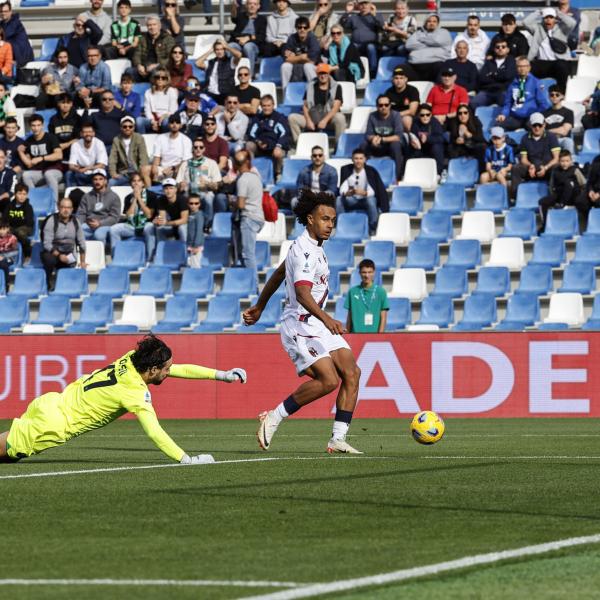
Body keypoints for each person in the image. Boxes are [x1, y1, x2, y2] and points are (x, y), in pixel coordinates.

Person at [0, 334, 247, 463]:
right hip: (54, 424)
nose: (170, 372)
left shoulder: (131, 358)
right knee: (8, 450)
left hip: (51, 402)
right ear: (152, 370)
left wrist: (222, 375)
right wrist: (186, 459)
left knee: (10, 457)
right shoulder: (136, 393)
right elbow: (154, 432)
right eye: (166, 369)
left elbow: (179, 368)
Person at [243, 189, 362, 455]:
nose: (330, 224)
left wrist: (261, 306)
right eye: (324, 219)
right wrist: (328, 318)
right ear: (310, 219)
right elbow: (302, 293)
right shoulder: (305, 252)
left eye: (332, 219)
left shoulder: (311, 248)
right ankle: (274, 416)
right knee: (329, 380)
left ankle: (338, 438)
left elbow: (278, 273)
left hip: (315, 324)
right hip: (299, 324)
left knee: (352, 373)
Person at [288, 63, 344, 144]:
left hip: (328, 120)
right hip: (313, 117)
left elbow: (336, 107)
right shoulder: (310, 86)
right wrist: (308, 121)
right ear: (317, 74)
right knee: (292, 117)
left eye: (325, 73)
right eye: (320, 73)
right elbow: (305, 106)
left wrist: (324, 121)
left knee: (340, 118)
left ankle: (339, 146)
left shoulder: (336, 86)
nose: (323, 76)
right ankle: (300, 145)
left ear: (328, 74)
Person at [523, 6, 576, 90]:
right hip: (542, 62)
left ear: (555, 19)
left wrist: (559, 14)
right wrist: (538, 12)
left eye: (551, 17)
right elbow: (525, 22)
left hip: (558, 61)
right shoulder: (538, 28)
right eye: (546, 17)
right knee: (527, 68)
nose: (548, 20)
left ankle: (561, 92)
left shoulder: (562, 28)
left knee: (562, 66)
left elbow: (572, 23)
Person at [176, 137, 223, 230]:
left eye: (201, 147)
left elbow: (217, 184)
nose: (198, 149)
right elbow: (178, 183)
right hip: (188, 191)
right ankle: (186, 223)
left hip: (205, 191)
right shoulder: (185, 164)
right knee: (181, 197)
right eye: (195, 147)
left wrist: (207, 184)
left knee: (209, 197)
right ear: (192, 149)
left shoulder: (211, 163)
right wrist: (181, 185)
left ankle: (206, 225)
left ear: (204, 149)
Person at [510, 112, 560, 199]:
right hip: (532, 168)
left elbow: (556, 158)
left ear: (544, 125)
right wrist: (530, 166)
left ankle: (555, 197)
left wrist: (546, 167)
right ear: (530, 125)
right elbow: (524, 159)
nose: (537, 128)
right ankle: (516, 197)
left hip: (547, 167)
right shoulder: (525, 138)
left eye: (539, 125)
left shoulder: (551, 137)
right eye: (534, 125)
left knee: (556, 167)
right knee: (516, 169)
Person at [337, 148, 387, 235]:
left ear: (365, 159)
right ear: (352, 159)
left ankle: (372, 227)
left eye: (361, 158)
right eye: (356, 158)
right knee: (339, 199)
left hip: (365, 199)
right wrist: (347, 193)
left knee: (371, 200)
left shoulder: (370, 171)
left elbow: (373, 190)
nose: (358, 161)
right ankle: (341, 224)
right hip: (351, 199)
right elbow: (342, 188)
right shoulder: (346, 170)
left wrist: (364, 193)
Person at [230, 149, 264, 276]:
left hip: (249, 217)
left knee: (247, 254)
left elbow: (241, 204)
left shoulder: (242, 179)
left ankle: (253, 285)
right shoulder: (256, 177)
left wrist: (232, 201)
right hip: (258, 216)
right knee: (246, 253)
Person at [41, 197, 87, 289]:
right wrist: (59, 255)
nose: (66, 210)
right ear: (58, 207)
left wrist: (82, 262)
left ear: (72, 209)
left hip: (68, 253)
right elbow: (47, 244)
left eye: (68, 208)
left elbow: (82, 243)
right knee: (49, 260)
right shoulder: (51, 220)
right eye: (63, 207)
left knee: (71, 264)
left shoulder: (75, 222)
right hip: (53, 253)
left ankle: (63, 287)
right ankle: (47, 284)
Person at [109, 171, 158, 257]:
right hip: (132, 226)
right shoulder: (128, 197)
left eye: (139, 181)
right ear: (131, 184)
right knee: (114, 229)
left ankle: (150, 258)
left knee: (149, 228)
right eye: (134, 181)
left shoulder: (151, 195)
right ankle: (116, 257)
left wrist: (139, 198)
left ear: (143, 183)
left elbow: (149, 215)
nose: (136, 183)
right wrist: (134, 199)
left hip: (146, 224)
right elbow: (128, 216)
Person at [496, 57, 550, 131]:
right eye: (519, 66)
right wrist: (503, 114)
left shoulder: (537, 83)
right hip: (515, 117)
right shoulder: (512, 83)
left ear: (529, 68)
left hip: (530, 117)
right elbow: (508, 103)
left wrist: (536, 115)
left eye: (524, 66)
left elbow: (544, 104)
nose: (522, 69)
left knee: (535, 128)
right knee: (497, 126)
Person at [19, 114, 63, 203]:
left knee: (49, 174)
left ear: (42, 125)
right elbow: (29, 163)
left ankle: (53, 205)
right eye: (33, 125)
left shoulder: (51, 137)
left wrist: (42, 158)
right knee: (25, 175)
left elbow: (59, 155)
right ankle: (34, 202)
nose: (36, 128)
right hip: (39, 173)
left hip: (55, 171)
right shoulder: (29, 141)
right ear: (30, 126)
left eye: (38, 125)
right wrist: (20, 151)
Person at [539, 149, 586, 230]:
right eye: (562, 161)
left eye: (567, 161)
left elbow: (584, 184)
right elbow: (551, 185)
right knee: (542, 202)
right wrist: (554, 195)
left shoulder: (575, 170)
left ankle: (562, 204)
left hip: (573, 196)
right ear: (559, 161)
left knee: (569, 182)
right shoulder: (555, 171)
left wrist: (580, 196)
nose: (564, 163)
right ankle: (545, 225)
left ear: (571, 161)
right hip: (560, 195)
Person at [246, 94, 291, 177]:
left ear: (273, 105)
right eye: (264, 106)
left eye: (268, 105)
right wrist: (258, 142)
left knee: (278, 152)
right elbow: (251, 133)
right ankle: (251, 170)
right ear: (261, 106)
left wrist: (278, 146)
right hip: (261, 146)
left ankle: (278, 173)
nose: (266, 108)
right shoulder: (257, 118)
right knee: (249, 145)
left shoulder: (279, 118)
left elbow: (285, 134)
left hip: (276, 146)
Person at [363, 93, 404, 182]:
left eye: (386, 105)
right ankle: (363, 175)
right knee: (363, 145)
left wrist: (382, 139)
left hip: (389, 145)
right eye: (380, 105)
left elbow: (398, 136)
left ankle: (397, 177)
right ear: (377, 106)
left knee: (396, 145)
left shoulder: (396, 115)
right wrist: (373, 139)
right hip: (377, 145)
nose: (383, 107)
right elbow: (368, 134)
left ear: (390, 106)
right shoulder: (372, 116)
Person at [76, 168, 121, 244]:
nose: (97, 182)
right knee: (78, 232)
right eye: (95, 179)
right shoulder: (86, 196)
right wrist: (79, 225)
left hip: (105, 225)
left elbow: (114, 217)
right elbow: (81, 213)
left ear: (105, 181)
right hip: (88, 224)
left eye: (100, 179)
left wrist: (100, 223)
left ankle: (100, 253)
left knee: (98, 235)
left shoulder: (114, 197)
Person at [339, 0, 383, 78]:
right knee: (351, 46)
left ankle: (373, 73)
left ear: (371, 5)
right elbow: (342, 25)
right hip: (357, 44)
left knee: (370, 47)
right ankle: (350, 72)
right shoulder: (354, 17)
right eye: (361, 4)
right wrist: (347, 12)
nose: (364, 6)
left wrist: (374, 14)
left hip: (371, 44)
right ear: (358, 6)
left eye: (366, 3)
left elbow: (382, 27)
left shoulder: (376, 15)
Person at [470, 37, 516, 109]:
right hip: (488, 91)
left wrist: (492, 74)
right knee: (474, 103)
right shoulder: (489, 62)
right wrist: (499, 75)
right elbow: (482, 78)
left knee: (506, 102)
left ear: (508, 49)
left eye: (503, 47)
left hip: (503, 91)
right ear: (494, 49)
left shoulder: (511, 61)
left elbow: (508, 76)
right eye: (497, 47)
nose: (500, 49)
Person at [405, 13, 452, 82]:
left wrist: (422, 40)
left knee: (441, 67)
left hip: (435, 65)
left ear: (438, 23)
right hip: (415, 65)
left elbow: (437, 41)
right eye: (429, 21)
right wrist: (429, 44)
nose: (431, 23)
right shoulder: (418, 33)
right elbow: (408, 45)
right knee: (401, 68)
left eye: (434, 21)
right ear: (425, 23)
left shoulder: (444, 32)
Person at [345, 258, 389, 333]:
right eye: (364, 272)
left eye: (370, 272)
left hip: (374, 336)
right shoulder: (352, 292)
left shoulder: (381, 292)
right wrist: (347, 334)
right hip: (355, 335)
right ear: (359, 273)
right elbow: (349, 316)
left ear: (374, 272)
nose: (367, 275)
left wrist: (380, 336)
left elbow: (383, 317)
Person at [195, 39, 241, 105]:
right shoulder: (210, 62)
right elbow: (197, 63)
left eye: (221, 49)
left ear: (224, 50)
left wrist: (227, 46)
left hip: (225, 94)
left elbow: (239, 55)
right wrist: (210, 51)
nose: (219, 52)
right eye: (217, 49)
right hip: (211, 94)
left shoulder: (230, 61)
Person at [280, 16, 321, 91]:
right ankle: (285, 94)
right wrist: (302, 57)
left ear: (308, 29)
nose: (302, 30)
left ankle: (314, 93)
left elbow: (312, 61)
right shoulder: (292, 38)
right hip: (296, 67)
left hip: (313, 68)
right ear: (296, 28)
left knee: (307, 66)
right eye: (299, 27)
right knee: (285, 66)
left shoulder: (312, 39)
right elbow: (287, 59)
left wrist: (295, 57)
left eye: (305, 27)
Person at [109, 115, 151, 187]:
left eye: (130, 126)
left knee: (144, 177)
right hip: (124, 173)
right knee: (110, 182)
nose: (127, 128)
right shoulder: (116, 140)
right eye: (125, 126)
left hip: (137, 171)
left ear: (134, 128)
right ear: (121, 128)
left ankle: (149, 194)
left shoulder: (139, 138)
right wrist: (113, 172)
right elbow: (112, 159)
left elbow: (143, 157)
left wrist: (140, 174)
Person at [228, 0, 267, 76]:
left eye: (255, 4)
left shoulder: (262, 19)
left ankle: (249, 75)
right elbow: (234, 17)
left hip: (253, 45)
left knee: (248, 46)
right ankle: (229, 74)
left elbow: (262, 37)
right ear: (246, 5)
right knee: (230, 46)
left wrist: (248, 38)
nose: (252, 6)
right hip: (238, 42)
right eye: (250, 4)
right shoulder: (241, 16)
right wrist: (234, 7)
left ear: (258, 6)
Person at [132, 15, 175, 82]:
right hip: (144, 67)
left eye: (154, 24)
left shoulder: (168, 39)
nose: (152, 27)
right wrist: (139, 65)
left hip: (159, 67)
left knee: (155, 72)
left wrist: (156, 65)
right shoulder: (143, 39)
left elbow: (171, 57)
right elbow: (136, 55)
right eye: (149, 25)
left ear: (159, 25)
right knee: (129, 71)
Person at [447, 103, 486, 173]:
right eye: (460, 113)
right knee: (449, 148)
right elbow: (452, 139)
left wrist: (468, 134)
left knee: (482, 147)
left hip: (473, 145)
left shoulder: (475, 121)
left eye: (465, 113)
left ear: (469, 113)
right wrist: (456, 141)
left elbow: (481, 138)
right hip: (461, 147)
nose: (463, 115)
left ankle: (481, 172)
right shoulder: (454, 123)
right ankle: (453, 172)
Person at [66, 122, 108, 187]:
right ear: (81, 134)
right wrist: (78, 169)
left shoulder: (99, 143)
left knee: (100, 173)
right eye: (85, 132)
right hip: (80, 171)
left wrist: (87, 168)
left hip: (95, 170)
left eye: (90, 132)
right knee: (69, 174)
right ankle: (71, 194)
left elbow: (102, 165)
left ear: (94, 133)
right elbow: (71, 165)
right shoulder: (75, 145)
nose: (88, 134)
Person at [152, 177, 188, 252]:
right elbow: (162, 217)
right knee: (159, 229)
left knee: (182, 228)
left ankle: (186, 253)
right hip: (172, 225)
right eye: (166, 188)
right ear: (163, 190)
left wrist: (167, 223)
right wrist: (158, 221)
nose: (168, 191)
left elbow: (184, 220)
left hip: (185, 225)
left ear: (176, 189)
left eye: (171, 188)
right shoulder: (161, 200)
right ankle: (161, 252)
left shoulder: (182, 199)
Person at [409, 102, 446, 174]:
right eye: (422, 115)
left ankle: (438, 172)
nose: (425, 117)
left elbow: (440, 138)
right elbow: (413, 135)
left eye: (427, 115)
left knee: (437, 147)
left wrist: (428, 138)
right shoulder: (415, 123)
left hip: (432, 147)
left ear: (431, 115)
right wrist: (413, 142)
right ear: (419, 116)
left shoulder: (435, 122)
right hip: (420, 147)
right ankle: (412, 172)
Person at [3, 182, 33, 258]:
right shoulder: (9, 206)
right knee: (4, 232)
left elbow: (28, 222)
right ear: (15, 194)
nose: (22, 196)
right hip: (11, 228)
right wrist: (19, 219)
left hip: (26, 228)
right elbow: (5, 219)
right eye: (20, 193)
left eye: (24, 194)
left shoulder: (28, 207)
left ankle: (27, 254)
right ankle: (5, 255)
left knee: (19, 232)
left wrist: (13, 220)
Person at [385, 66, 419, 131]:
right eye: (396, 78)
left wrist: (396, 115)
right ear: (393, 80)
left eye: (401, 78)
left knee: (406, 120)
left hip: (408, 117)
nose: (399, 81)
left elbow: (412, 111)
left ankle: (409, 138)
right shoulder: (388, 92)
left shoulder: (413, 90)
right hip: (393, 117)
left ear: (406, 79)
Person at [543, 85, 574, 155]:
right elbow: (541, 132)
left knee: (568, 141)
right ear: (549, 96)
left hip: (562, 139)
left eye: (557, 95)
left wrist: (548, 131)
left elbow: (564, 131)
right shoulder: (544, 113)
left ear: (562, 96)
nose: (554, 97)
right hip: (549, 140)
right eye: (552, 95)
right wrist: (558, 130)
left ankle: (570, 164)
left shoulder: (568, 112)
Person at [0, 1, 33, 67]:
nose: (3, 13)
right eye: (1, 11)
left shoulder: (16, 23)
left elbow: (6, 36)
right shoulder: (2, 24)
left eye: (5, 11)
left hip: (21, 56)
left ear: (10, 12)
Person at [577, 154, 600, 231]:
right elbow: (590, 180)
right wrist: (590, 191)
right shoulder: (596, 160)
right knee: (580, 201)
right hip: (594, 191)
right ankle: (590, 225)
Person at [186, 193, 204, 267]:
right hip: (191, 244)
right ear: (188, 204)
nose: (194, 205)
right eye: (191, 203)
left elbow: (199, 230)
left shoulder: (199, 215)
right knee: (192, 265)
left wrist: (196, 246)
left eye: (196, 203)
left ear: (199, 204)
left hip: (196, 245)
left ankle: (199, 278)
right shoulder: (191, 215)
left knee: (196, 266)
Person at [0, 218, 16, 292]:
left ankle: (6, 284)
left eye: (3, 229)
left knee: (3, 264)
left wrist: (3, 256)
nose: (1, 231)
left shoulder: (12, 238)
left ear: (8, 229)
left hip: (9, 258)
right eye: (0, 229)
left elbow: (14, 252)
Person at [0, 148, 15, 212]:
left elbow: (12, 191)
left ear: (5, 159)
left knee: (6, 201)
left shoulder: (10, 173)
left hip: (3, 201)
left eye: (1, 157)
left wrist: (0, 197)